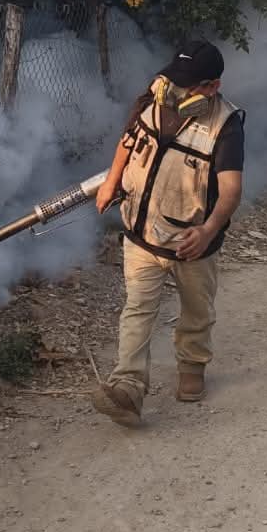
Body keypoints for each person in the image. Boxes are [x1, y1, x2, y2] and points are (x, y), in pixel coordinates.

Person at [93, 39, 244, 426]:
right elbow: (128, 141)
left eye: (188, 83)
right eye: (174, 78)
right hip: (141, 233)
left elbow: (230, 191)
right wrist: (112, 181)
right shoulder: (151, 100)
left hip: (193, 243)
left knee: (196, 311)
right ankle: (126, 387)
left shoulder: (225, 126)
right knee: (138, 309)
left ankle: (192, 368)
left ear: (211, 87)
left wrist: (209, 231)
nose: (174, 88)